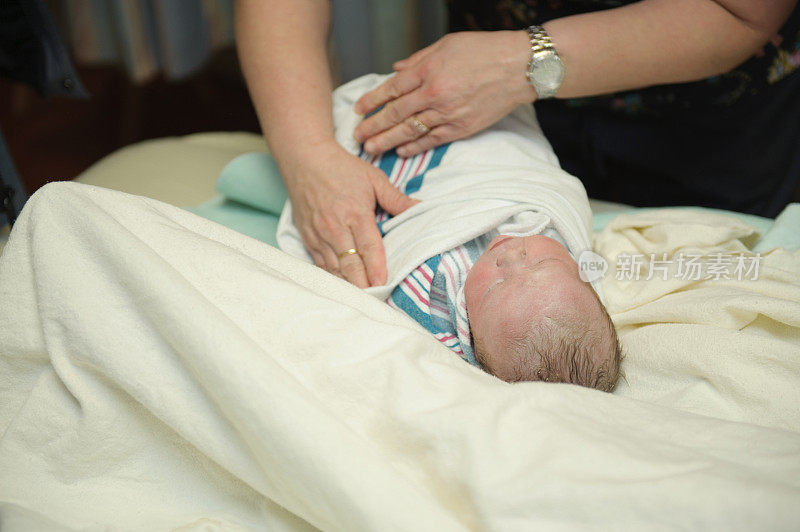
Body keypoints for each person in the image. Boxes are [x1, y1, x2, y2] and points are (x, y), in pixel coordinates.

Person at [235, 0, 799, 292]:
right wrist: (308, 154)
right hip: (486, 101)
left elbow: (739, 12)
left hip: (711, 111)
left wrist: (520, 64)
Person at [275, 73, 621, 390]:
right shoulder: (557, 233)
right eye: (542, 265)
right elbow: (555, 190)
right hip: (491, 141)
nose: (512, 258)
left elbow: (380, 297)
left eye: (496, 286)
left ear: (471, 336)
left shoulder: (435, 302)